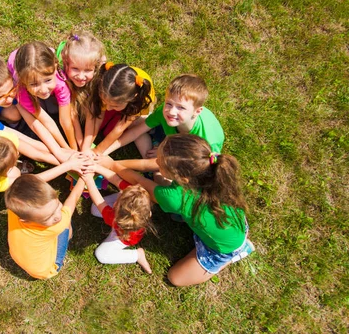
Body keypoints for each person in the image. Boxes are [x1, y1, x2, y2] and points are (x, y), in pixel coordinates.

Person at [110, 134, 254, 287]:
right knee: (160, 182)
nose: (156, 162)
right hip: (233, 225)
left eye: (160, 162)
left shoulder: (176, 198)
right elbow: (149, 167)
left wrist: (112, 166)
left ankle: (239, 252)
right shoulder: (204, 166)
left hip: (223, 248)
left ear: (183, 178)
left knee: (175, 278)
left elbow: (140, 182)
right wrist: (115, 163)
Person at [100, 74, 224, 174]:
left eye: (181, 107)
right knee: (135, 124)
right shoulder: (164, 112)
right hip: (169, 135)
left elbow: (202, 168)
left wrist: (165, 154)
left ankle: (153, 164)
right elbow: (135, 132)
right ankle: (153, 161)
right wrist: (104, 152)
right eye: (169, 103)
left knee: (163, 176)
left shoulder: (207, 141)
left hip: (185, 155)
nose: (171, 111)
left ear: (197, 112)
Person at [0, 130, 93, 198]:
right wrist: (67, 166)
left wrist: (67, 158)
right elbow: (30, 181)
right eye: (13, 161)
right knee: (16, 176)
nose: (18, 156)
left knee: (14, 171)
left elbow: (37, 153)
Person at [5, 174, 86, 279]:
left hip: (20, 256)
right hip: (47, 270)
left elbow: (30, 184)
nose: (57, 216)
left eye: (57, 205)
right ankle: (68, 236)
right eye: (48, 217)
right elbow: (73, 199)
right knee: (65, 223)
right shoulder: (54, 226)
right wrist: (84, 178)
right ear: (26, 220)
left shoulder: (15, 209)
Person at [7, 42, 78, 155]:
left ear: (55, 69)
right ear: (24, 81)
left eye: (48, 80)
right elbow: (46, 121)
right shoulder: (21, 90)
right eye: (34, 84)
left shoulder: (61, 84)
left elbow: (65, 120)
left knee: (53, 108)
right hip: (16, 65)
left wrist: (73, 148)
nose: (44, 90)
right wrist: (66, 150)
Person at [82, 62, 156, 158]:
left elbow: (119, 128)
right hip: (118, 99)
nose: (107, 108)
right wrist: (86, 146)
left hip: (134, 108)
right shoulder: (105, 86)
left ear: (132, 98)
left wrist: (98, 151)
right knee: (94, 117)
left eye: (114, 106)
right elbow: (96, 115)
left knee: (112, 131)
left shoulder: (139, 100)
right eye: (104, 101)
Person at [84, 174, 153, 273]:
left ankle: (137, 255)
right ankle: (124, 203)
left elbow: (99, 201)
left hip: (122, 237)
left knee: (102, 255)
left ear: (115, 205)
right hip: (124, 223)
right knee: (94, 209)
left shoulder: (112, 217)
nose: (120, 191)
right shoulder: (139, 200)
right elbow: (116, 180)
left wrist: (88, 179)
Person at [56, 32, 107, 149]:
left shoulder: (97, 80)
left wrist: (85, 147)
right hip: (67, 70)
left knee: (90, 104)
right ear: (66, 64)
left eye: (88, 70)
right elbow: (72, 115)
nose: (81, 76)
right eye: (75, 69)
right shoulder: (63, 80)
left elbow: (91, 115)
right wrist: (79, 145)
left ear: (95, 69)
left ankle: (100, 62)